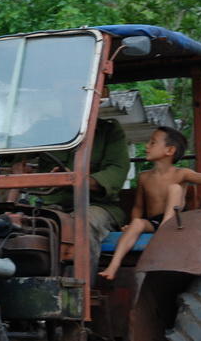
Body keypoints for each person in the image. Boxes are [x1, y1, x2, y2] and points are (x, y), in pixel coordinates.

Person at [98, 126, 201, 281]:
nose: (147, 146)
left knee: (175, 188)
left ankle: (164, 230)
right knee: (137, 223)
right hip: (154, 221)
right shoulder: (144, 177)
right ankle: (113, 266)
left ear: (169, 150)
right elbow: (138, 207)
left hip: (175, 222)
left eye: (152, 143)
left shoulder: (181, 173)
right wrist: (131, 224)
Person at [13, 117, 130, 278]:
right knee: (17, 222)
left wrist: (75, 179)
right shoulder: (45, 127)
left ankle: (78, 292)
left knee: (82, 222)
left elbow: (116, 171)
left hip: (96, 204)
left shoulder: (108, 130)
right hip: (50, 202)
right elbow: (14, 149)